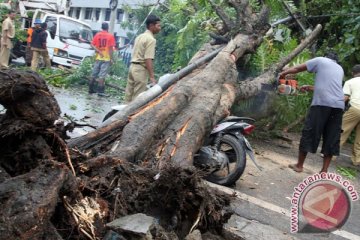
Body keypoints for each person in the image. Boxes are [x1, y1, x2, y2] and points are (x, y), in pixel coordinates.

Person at [279, 52, 344, 173]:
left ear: (326, 57)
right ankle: (324, 171)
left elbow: (298, 68)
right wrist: (310, 87)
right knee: (331, 137)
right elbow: (332, 88)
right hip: (338, 106)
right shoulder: (340, 68)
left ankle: (299, 165)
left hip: (321, 104)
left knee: (310, 132)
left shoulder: (320, 60)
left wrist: (283, 73)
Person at [124, 14, 161, 103]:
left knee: (128, 96)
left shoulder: (139, 37)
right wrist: (152, 76)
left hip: (132, 67)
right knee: (137, 98)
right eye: (158, 26)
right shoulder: (151, 39)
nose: (160, 28)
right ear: (151, 25)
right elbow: (148, 58)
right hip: (140, 70)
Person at [339, 65, 360, 166]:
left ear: (353, 73)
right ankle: (357, 160)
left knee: (342, 130)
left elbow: (345, 97)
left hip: (355, 108)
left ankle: (331, 153)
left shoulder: (350, 82)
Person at [89, 22, 115, 96]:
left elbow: (91, 44)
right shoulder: (110, 36)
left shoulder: (97, 35)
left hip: (98, 57)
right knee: (102, 75)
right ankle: (100, 91)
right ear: (108, 28)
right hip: (106, 58)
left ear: (102, 27)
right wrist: (111, 59)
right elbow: (110, 49)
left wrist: (97, 50)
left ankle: (90, 89)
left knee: (94, 74)